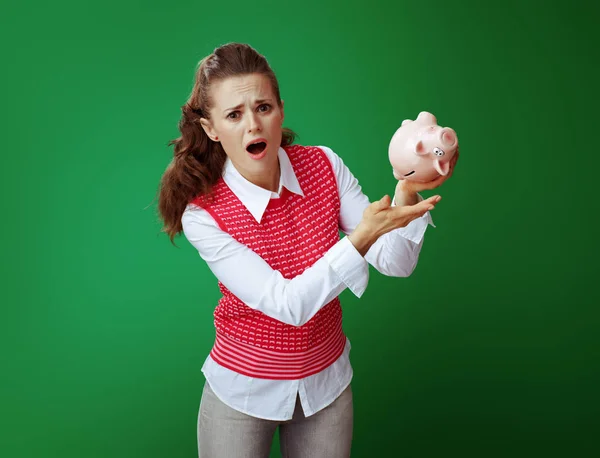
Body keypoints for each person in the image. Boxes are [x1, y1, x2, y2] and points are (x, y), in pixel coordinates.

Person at [157, 42, 457, 458]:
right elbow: (288, 304)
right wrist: (359, 240)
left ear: (280, 109)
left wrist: (407, 191)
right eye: (233, 114)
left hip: (326, 386)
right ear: (211, 128)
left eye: (262, 107)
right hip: (243, 391)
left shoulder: (324, 165)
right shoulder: (203, 214)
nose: (252, 126)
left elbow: (397, 262)